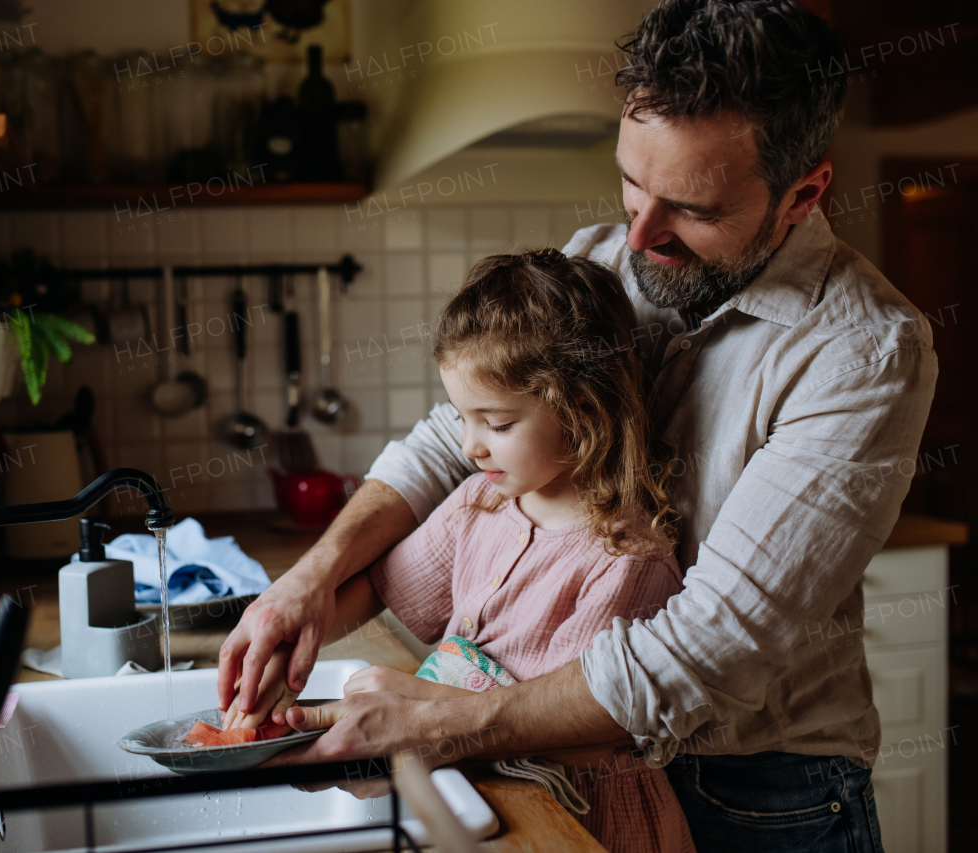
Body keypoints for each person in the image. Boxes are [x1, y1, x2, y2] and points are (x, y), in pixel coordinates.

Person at [219, 1, 936, 850]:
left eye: (691, 208)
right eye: (631, 183)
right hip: (560, 752)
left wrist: (452, 722)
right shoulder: (604, 259)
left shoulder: (862, 352)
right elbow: (452, 441)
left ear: (803, 192)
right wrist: (309, 579)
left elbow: (711, 647)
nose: (638, 232)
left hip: (759, 793)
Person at [227, 249, 695, 851]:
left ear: (583, 413)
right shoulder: (479, 503)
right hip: (484, 783)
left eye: (497, 424)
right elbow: (379, 585)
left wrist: (408, 707)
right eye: (460, 418)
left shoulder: (625, 559)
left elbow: (589, 729)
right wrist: (293, 649)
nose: (471, 446)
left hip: (581, 815)